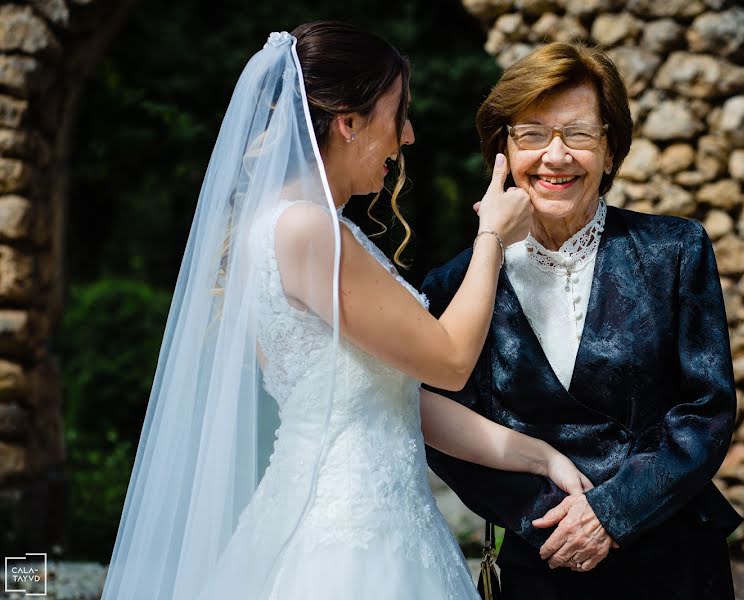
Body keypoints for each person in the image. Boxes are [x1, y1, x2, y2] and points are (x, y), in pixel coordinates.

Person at [101, 23, 592, 600]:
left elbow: (393, 398)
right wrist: (492, 238)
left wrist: (540, 456)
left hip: (343, 512)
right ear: (349, 121)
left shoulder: (289, 228)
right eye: (397, 114)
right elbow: (451, 361)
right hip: (351, 539)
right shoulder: (310, 231)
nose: (407, 136)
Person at [422, 41, 743, 599]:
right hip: (539, 563)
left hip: (671, 560)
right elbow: (442, 427)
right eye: (533, 134)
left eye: (578, 134)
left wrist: (612, 514)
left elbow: (706, 409)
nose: (556, 155)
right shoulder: (454, 286)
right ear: (502, 150)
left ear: (611, 151)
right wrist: (558, 523)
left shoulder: (675, 251)